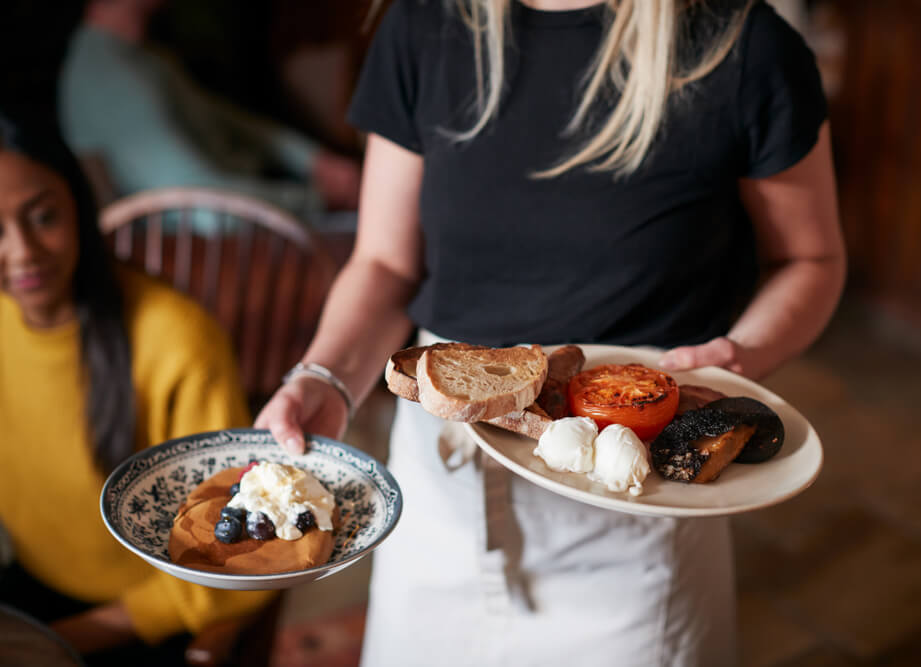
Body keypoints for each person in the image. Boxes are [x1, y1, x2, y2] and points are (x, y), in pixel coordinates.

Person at [256, 0, 846, 664]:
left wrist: (741, 356)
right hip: (436, 496)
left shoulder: (739, 43)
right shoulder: (425, 23)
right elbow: (386, 262)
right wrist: (325, 377)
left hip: (637, 515)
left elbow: (811, 259)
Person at [0, 110, 273, 665]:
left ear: (79, 205)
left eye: (44, 216)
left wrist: (69, 639)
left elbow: (239, 553)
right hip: (30, 583)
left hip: (150, 616)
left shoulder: (177, 340)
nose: (23, 252)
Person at [58, 0, 361, 226]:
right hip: (205, 248)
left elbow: (230, 121)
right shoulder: (104, 72)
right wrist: (317, 198)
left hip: (249, 211)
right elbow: (200, 205)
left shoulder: (147, 58)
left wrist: (313, 160)